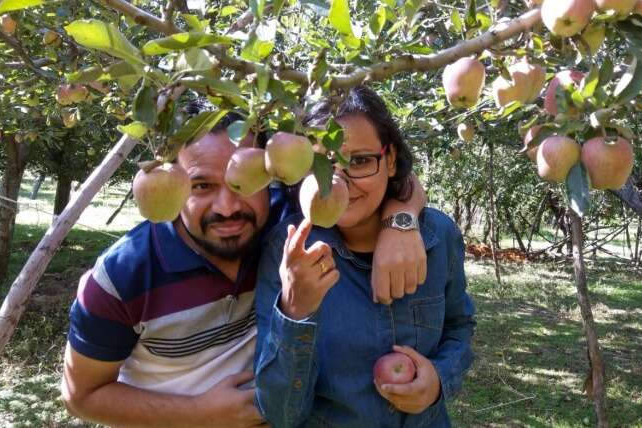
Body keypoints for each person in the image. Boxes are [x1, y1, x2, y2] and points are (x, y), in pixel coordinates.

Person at [60, 102, 429, 427]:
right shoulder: (125, 273)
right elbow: (80, 395)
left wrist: (401, 220)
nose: (228, 207)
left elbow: (387, 176)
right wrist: (200, 415)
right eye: (201, 186)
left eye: (245, 183)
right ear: (171, 180)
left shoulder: (286, 226)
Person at [254, 86, 476, 427]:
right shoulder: (287, 252)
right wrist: (296, 311)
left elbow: (459, 327)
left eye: (358, 160)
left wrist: (439, 379)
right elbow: (280, 413)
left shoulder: (438, 237)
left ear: (389, 161)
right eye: (322, 165)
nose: (339, 183)